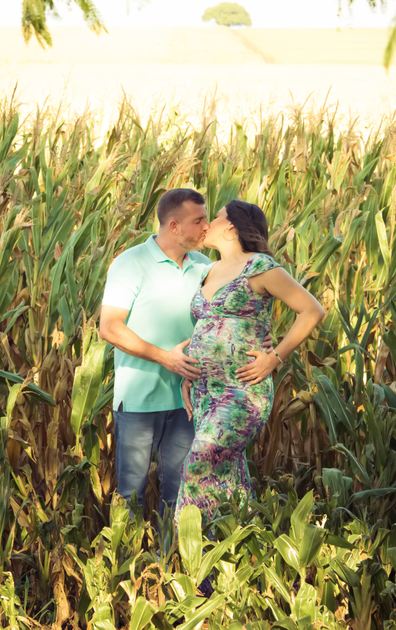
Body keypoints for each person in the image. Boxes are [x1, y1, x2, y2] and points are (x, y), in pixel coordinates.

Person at [98, 189, 274, 527]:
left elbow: (233, 315)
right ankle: (123, 567)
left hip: (192, 400)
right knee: (130, 493)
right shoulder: (130, 263)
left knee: (181, 493)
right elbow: (109, 327)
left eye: (208, 218)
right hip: (139, 401)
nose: (207, 226)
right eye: (199, 221)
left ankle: (172, 565)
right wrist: (165, 358)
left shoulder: (206, 267)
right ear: (175, 225)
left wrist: (264, 341)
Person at [175, 199, 326, 531]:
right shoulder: (209, 270)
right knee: (228, 473)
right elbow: (206, 325)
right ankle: (241, 549)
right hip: (205, 391)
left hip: (242, 390)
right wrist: (190, 370)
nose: (206, 224)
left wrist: (274, 358)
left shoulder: (260, 266)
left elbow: (312, 310)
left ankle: (190, 551)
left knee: (200, 458)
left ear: (230, 226)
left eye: (213, 218)